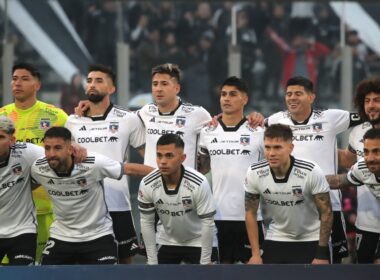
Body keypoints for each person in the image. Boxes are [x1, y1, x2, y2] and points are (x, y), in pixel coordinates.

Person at [265, 76, 362, 263]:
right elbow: (250, 124)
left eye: (298, 94)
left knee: (331, 263)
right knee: (292, 261)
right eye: (289, 94)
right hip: (292, 204)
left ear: (311, 97)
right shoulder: (277, 119)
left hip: (328, 204)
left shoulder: (330, 118)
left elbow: (366, 115)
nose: (292, 98)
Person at [65, 64, 151, 264]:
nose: (92, 85)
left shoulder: (128, 119)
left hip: (117, 202)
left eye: (99, 80)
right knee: (84, 263)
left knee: (125, 261)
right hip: (81, 204)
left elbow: (147, 156)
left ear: (112, 89)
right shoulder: (72, 121)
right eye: (89, 81)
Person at [31, 127, 150, 265]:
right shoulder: (38, 168)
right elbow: (27, 185)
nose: (51, 154)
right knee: (44, 275)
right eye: (47, 148)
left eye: (58, 148)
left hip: (98, 236)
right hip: (61, 236)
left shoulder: (93, 163)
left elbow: (130, 169)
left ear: (70, 149)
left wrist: (168, 174)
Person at [0, 62, 68, 263]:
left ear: (37, 85)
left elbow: (73, 152)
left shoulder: (56, 116)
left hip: (49, 207)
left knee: (42, 269)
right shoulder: (2, 116)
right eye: (14, 78)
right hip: (8, 211)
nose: (17, 83)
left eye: (24, 78)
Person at [198, 76, 265, 263]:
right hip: (217, 216)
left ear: (245, 99)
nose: (226, 99)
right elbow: (201, 170)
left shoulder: (258, 132)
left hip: (251, 217)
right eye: (223, 94)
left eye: (233, 94)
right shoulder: (207, 132)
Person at [245, 124, 333, 264]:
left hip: (312, 237)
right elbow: (250, 212)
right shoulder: (254, 172)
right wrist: (255, 254)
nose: (271, 153)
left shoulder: (311, 171)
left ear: (291, 148)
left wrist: (321, 253)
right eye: (267, 147)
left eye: (277, 147)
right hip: (278, 235)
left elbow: (326, 212)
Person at [138, 134, 218, 264]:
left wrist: (205, 261)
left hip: (199, 240)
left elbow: (208, 223)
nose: (163, 161)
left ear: (182, 158)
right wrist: (152, 261)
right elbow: (146, 222)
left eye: (169, 156)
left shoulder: (198, 182)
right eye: (159, 155)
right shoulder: (147, 183)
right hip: (166, 239)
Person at [137, 63, 212, 169]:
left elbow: (216, 138)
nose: (158, 89)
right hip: (152, 184)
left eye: (164, 84)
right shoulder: (145, 112)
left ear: (177, 88)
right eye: (155, 84)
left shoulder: (198, 114)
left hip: (185, 184)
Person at [337, 77, 380, 263]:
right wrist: (317, 145)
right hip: (366, 223)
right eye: (367, 100)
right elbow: (348, 159)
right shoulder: (358, 132)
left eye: (377, 100)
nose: (371, 105)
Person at [326, 127, 380, 264]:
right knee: (365, 266)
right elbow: (339, 181)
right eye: (366, 152)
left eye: (377, 152)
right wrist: (307, 180)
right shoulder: (362, 168)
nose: (371, 158)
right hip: (370, 228)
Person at [0, 116, 44, 265]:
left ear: (12, 140)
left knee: (21, 276)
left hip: (22, 230)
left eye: (1, 137)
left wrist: (75, 147)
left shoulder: (25, 152)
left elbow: (55, 157)